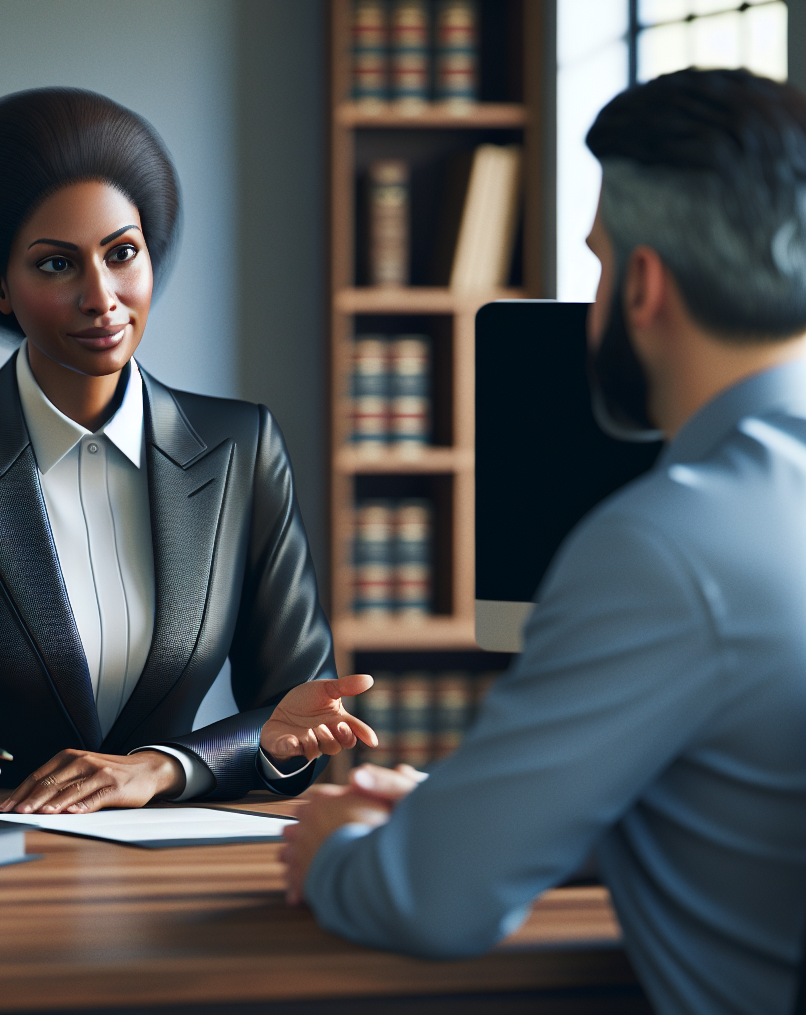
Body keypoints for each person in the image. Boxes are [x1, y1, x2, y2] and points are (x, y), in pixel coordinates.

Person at [281, 69, 806, 1015]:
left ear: (642, 284)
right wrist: (482, 817)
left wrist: (344, 849)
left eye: (599, 260)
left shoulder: (671, 546)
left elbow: (432, 905)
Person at [0, 88, 376, 820]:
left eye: (122, 254)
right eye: (56, 266)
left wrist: (158, 769)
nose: (103, 297)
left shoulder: (242, 447)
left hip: (176, 865)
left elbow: (292, 713)